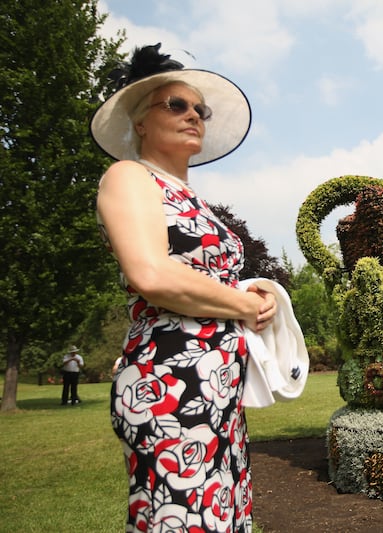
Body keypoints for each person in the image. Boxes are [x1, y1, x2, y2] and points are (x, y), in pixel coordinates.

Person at [91, 43, 277, 532]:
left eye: (201, 109)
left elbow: (205, 277)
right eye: (176, 104)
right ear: (141, 123)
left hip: (217, 386)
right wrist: (242, 304)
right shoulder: (129, 176)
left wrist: (260, 298)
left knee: (223, 519)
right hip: (170, 381)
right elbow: (150, 275)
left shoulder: (190, 197)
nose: (193, 114)